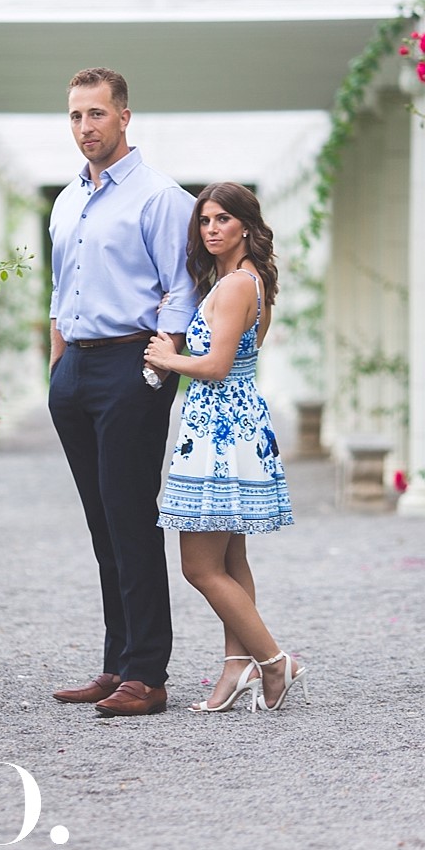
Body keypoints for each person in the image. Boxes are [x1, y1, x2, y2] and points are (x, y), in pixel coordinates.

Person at [48, 67, 198, 718]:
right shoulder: (66, 199)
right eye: (77, 116)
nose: (86, 127)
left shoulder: (162, 197)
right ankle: (116, 663)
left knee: (131, 517)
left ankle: (148, 673)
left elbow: (184, 285)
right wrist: (58, 372)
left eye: (98, 114)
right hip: (76, 370)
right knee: (101, 522)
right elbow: (60, 292)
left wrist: (159, 364)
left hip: (130, 366)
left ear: (125, 116)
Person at [144, 182, 307, 713]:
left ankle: (274, 660)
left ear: (246, 226)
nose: (211, 229)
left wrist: (169, 360)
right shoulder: (244, 281)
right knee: (232, 557)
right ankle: (237, 669)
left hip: (219, 430)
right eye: (205, 221)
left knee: (198, 566)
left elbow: (215, 367)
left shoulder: (237, 285)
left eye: (222, 220)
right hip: (231, 421)